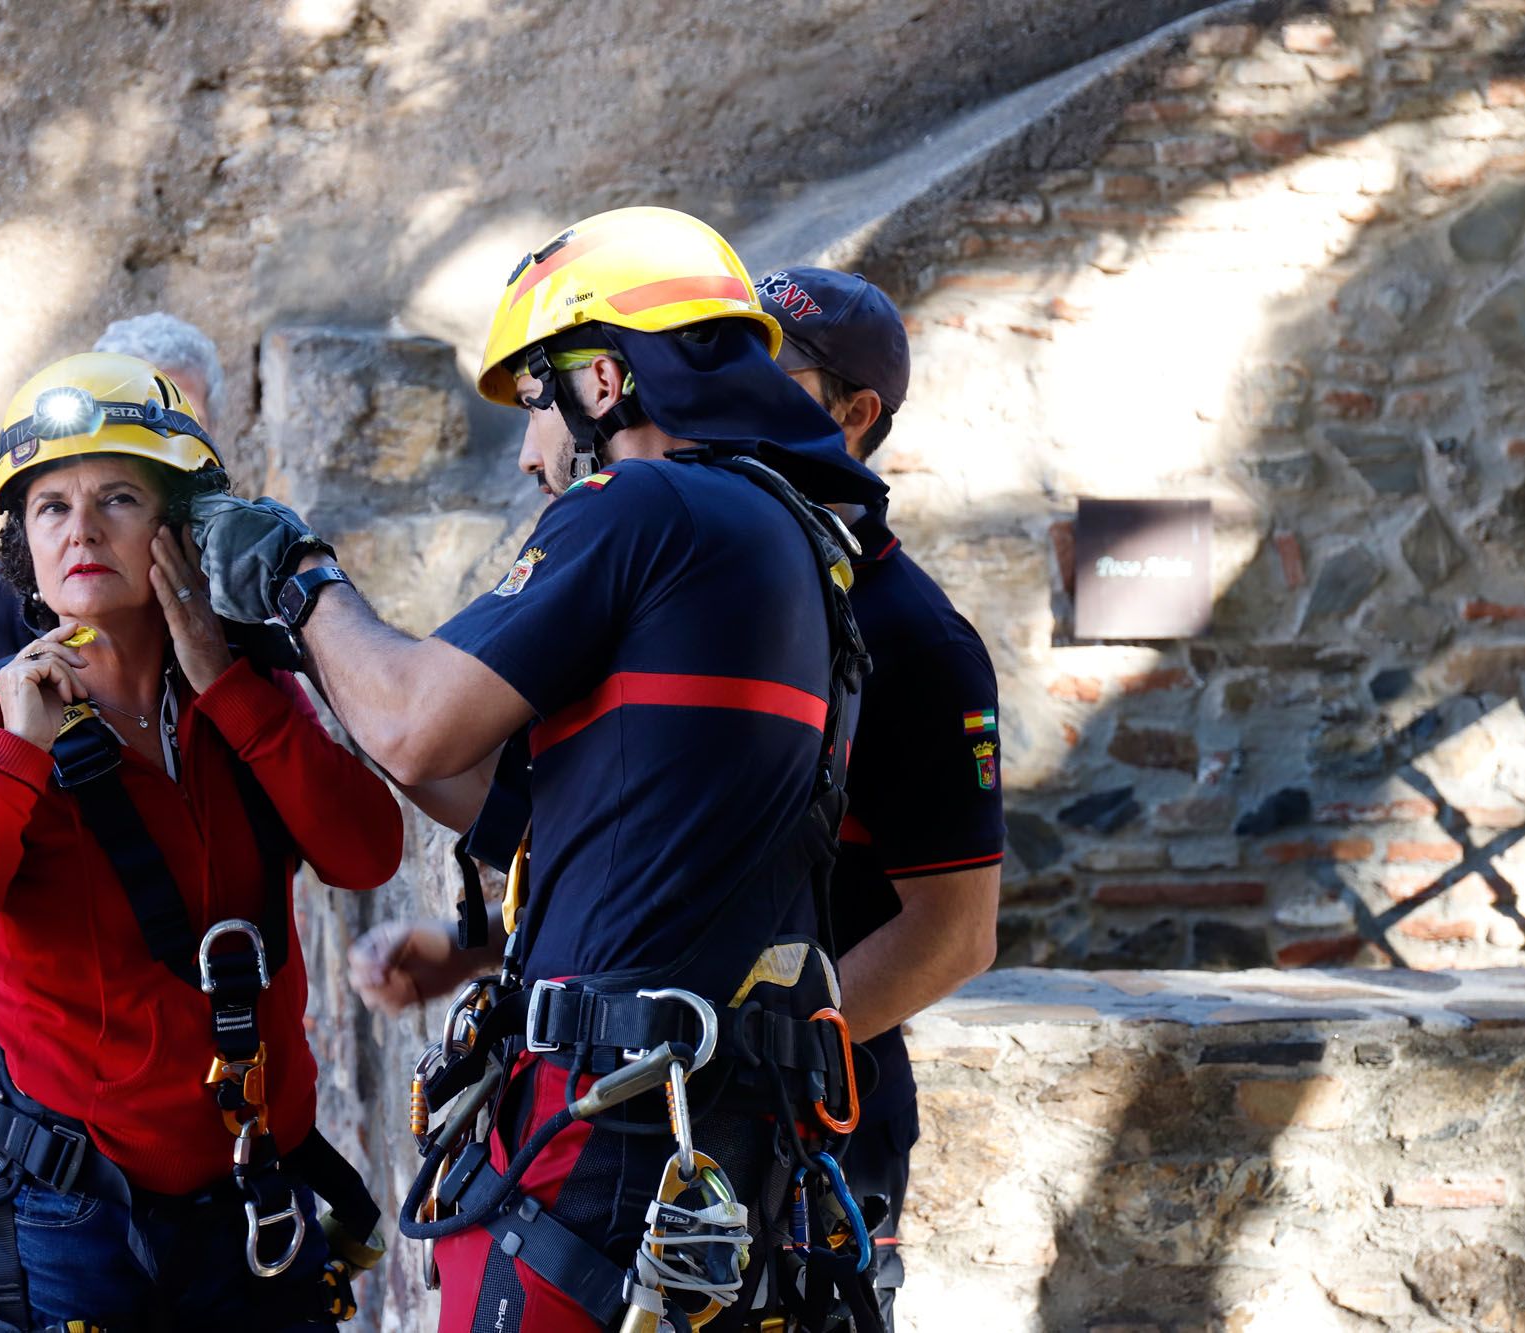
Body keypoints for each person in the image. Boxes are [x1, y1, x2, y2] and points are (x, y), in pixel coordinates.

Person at [190, 207, 892, 1331]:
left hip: (600, 1146)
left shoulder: (641, 505)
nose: (528, 452)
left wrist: (298, 577)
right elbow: (498, 805)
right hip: (699, 1136)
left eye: (535, 403)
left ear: (605, 380)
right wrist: (320, 658)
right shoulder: (785, 542)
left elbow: (418, 725)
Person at [0, 352, 403, 1331]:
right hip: (83, 1225)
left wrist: (234, 689)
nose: (81, 528)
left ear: (175, 530)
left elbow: (367, 852)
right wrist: (15, 757)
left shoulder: (245, 697)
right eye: (51, 507)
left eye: (117, 496)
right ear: (22, 550)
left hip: (257, 1208)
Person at [757, 265, 1004, 1327]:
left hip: (816, 1123)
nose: (727, 389)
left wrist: (761, 1052)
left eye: (770, 370)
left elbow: (953, 935)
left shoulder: (918, 641)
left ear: (853, 415)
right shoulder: (717, 584)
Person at [0, 313, 227, 697]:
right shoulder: (5, 592)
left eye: (185, 417)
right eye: (145, 417)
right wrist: (19, 746)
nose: (168, 437)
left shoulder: (238, 572)